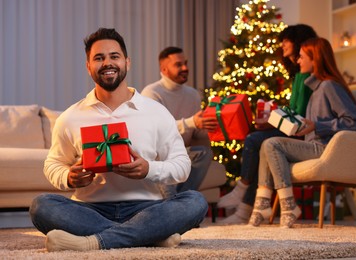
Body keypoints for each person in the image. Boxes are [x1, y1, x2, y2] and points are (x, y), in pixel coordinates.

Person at [29, 28, 208, 252]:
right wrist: (69, 177)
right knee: (41, 206)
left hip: (147, 208)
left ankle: (93, 242)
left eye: (114, 56)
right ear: (88, 67)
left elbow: (182, 165)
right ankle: (149, 235)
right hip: (88, 209)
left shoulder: (156, 112)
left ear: (127, 62)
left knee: (195, 202)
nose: (107, 63)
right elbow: (53, 164)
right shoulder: (70, 117)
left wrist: (148, 169)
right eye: (99, 58)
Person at [249, 37, 356, 228]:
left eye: (301, 57)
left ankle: (287, 205)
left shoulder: (329, 86)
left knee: (271, 143)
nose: (298, 61)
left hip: (326, 149)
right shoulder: (315, 89)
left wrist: (317, 126)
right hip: (314, 145)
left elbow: (354, 122)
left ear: (315, 59)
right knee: (265, 146)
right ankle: (262, 204)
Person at [217, 24, 318, 224]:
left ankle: (242, 190)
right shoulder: (298, 74)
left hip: (301, 134)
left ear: (297, 41)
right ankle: (245, 209)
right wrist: (270, 121)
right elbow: (293, 111)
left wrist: (272, 123)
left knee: (255, 140)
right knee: (258, 143)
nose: (282, 45)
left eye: (286, 40)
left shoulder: (307, 76)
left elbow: (300, 115)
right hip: (293, 130)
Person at [141, 47, 218, 197]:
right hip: (160, 154)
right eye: (178, 65)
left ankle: (181, 201)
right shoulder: (152, 93)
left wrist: (212, 124)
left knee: (204, 153)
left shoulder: (193, 94)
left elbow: (197, 132)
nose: (185, 68)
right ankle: (177, 205)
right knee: (161, 158)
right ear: (164, 69)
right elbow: (157, 132)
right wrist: (192, 123)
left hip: (183, 152)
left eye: (186, 63)